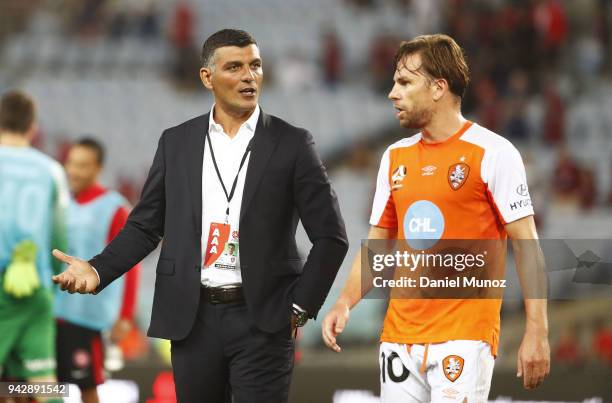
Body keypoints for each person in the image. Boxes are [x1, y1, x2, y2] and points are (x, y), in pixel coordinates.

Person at [52, 29, 348, 402]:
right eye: (235, 67)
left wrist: (299, 307)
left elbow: (331, 237)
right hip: (193, 319)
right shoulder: (176, 142)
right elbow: (145, 227)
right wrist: (96, 270)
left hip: (264, 319)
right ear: (207, 77)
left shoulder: (293, 143)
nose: (249, 76)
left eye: (255, 65)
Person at [322, 34, 550, 402]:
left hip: (465, 337)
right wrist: (344, 302)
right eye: (394, 82)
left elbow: (527, 245)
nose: (392, 93)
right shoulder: (394, 158)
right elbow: (378, 245)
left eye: (405, 82)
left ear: (438, 88)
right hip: (398, 339)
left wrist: (537, 330)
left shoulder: (493, 153)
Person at [54, 138, 141, 403]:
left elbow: (131, 263)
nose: (73, 171)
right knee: (44, 384)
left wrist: (125, 316)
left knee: (87, 385)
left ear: (98, 168)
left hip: (89, 317)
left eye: (82, 165)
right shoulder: (60, 203)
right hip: (54, 310)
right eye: (71, 163)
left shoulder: (115, 208)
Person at [0, 90, 69, 403]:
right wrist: (51, 282)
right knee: (43, 383)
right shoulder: (51, 170)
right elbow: (60, 239)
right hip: (35, 287)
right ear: (32, 127)